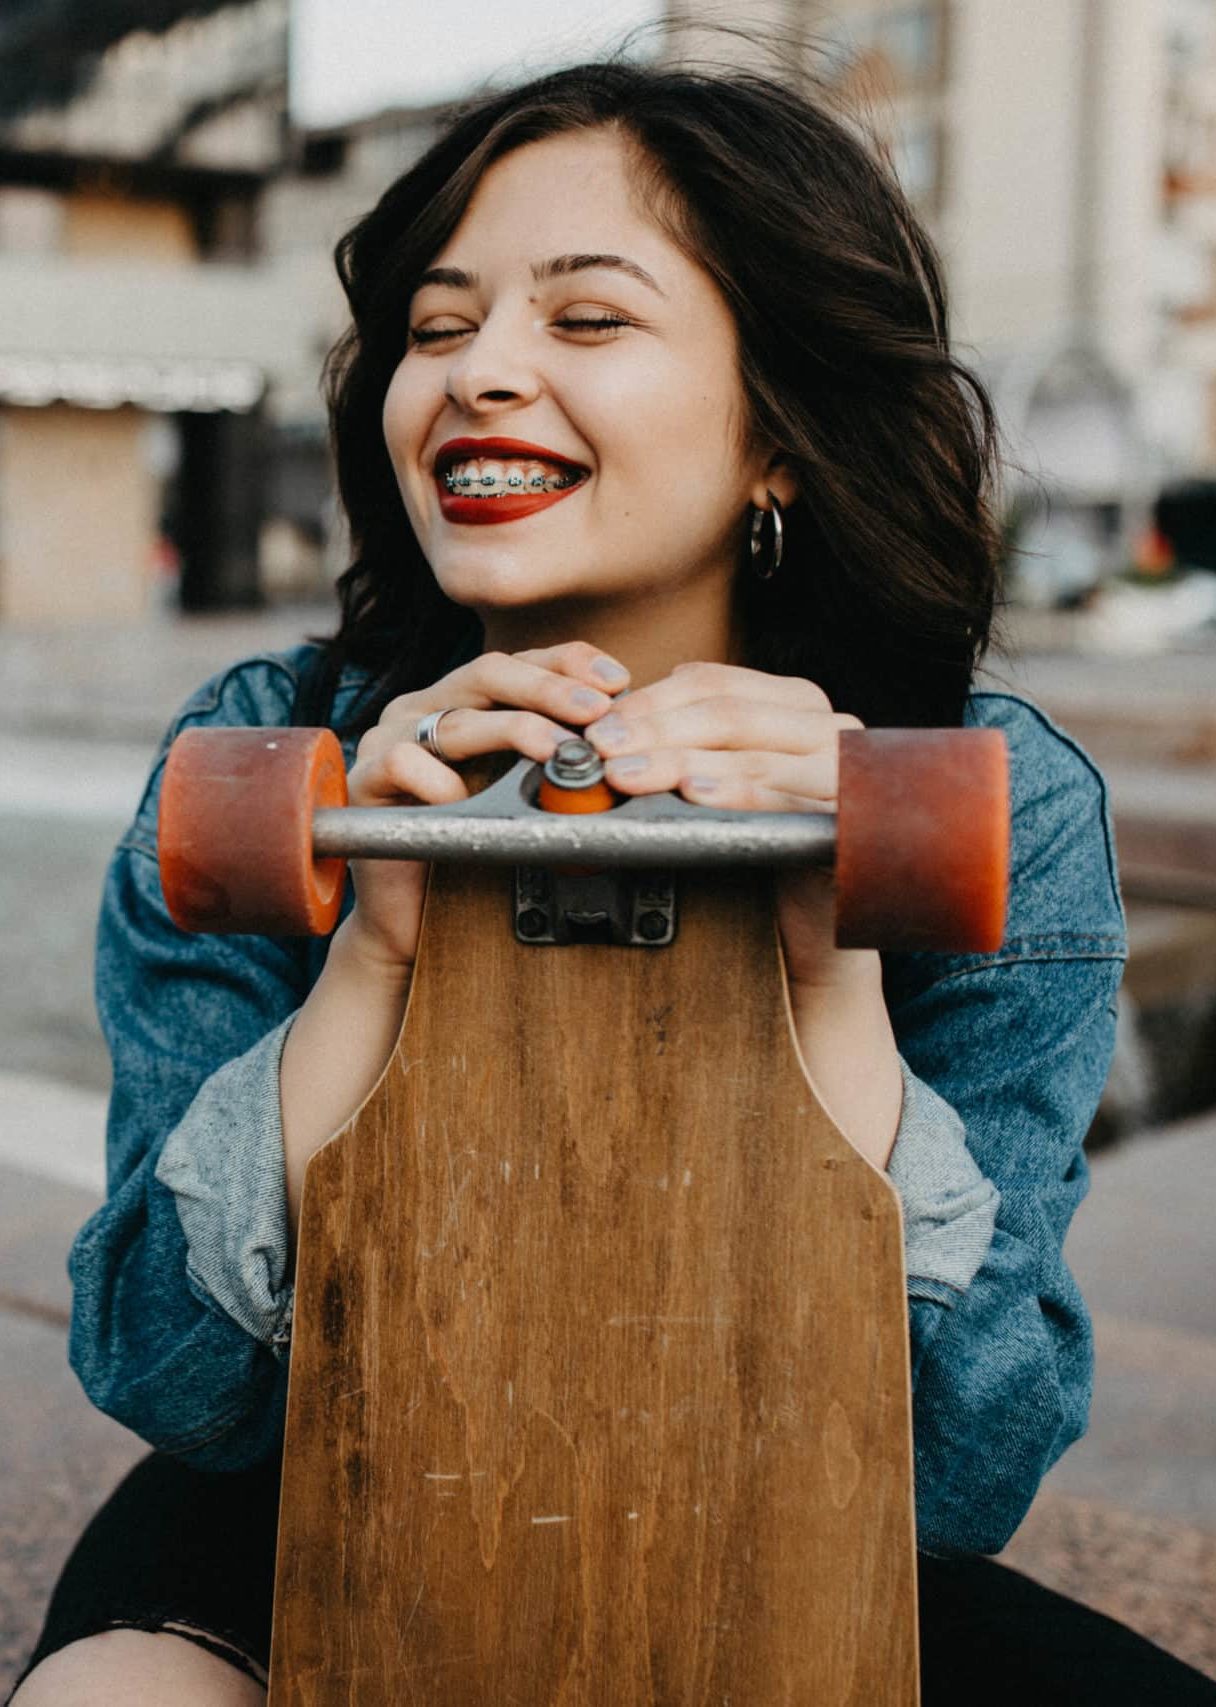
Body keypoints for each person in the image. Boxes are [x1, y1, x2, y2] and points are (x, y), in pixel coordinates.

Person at [9, 51, 1214, 1707]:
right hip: (302, 1491)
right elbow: (173, 1376)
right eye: (437, 327)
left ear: (779, 434)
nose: (477, 372)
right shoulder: (269, 743)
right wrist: (374, 950)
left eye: (585, 321)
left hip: (796, 1523)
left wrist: (831, 978)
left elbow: (954, 1486)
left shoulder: (982, 799)